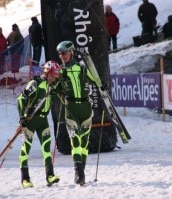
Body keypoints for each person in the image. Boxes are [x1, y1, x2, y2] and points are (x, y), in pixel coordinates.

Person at [55, 41, 97, 185]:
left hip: (85, 108)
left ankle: (82, 171)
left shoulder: (83, 69)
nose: (62, 56)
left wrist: (102, 85)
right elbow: (53, 85)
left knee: (84, 143)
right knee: (75, 141)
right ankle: (79, 173)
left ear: (71, 52)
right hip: (70, 108)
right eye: (60, 54)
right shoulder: (60, 71)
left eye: (64, 53)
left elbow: (96, 81)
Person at [16, 61, 61, 188]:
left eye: (55, 76)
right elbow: (20, 99)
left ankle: (50, 176)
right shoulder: (35, 83)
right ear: (46, 73)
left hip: (43, 121)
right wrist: (21, 118)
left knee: (47, 150)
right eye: (52, 75)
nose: (54, 78)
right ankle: (25, 179)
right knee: (25, 149)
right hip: (29, 121)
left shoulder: (51, 85)